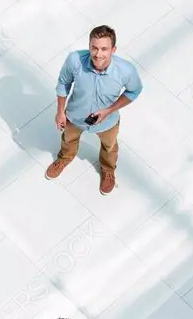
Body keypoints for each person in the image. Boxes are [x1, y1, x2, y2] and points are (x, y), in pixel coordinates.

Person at [48, 26, 143, 194]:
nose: (98, 54)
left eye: (104, 49)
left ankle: (108, 170)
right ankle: (64, 158)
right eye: (94, 48)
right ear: (89, 45)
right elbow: (63, 84)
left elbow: (134, 91)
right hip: (74, 117)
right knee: (68, 140)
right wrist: (60, 112)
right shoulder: (75, 60)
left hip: (108, 121)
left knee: (109, 146)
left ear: (113, 49)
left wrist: (109, 110)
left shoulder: (126, 70)